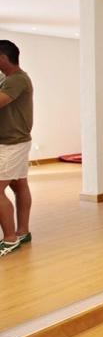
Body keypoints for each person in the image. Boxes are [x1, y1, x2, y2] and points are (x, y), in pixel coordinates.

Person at [0, 40, 34, 257]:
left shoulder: (17, 80)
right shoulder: (6, 78)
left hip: (12, 143)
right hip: (12, 141)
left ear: (3, 57)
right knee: (19, 185)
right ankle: (23, 232)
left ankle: (10, 239)